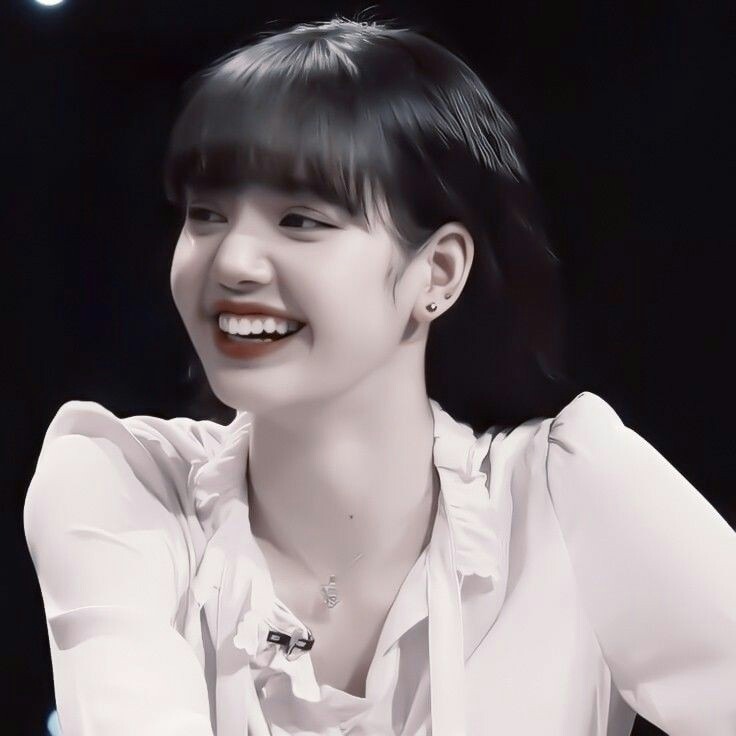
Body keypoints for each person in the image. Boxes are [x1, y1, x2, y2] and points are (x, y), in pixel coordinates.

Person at [23, 16, 736, 736]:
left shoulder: (565, 498)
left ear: (438, 273)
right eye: (206, 214)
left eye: (301, 219)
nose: (232, 262)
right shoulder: (122, 487)